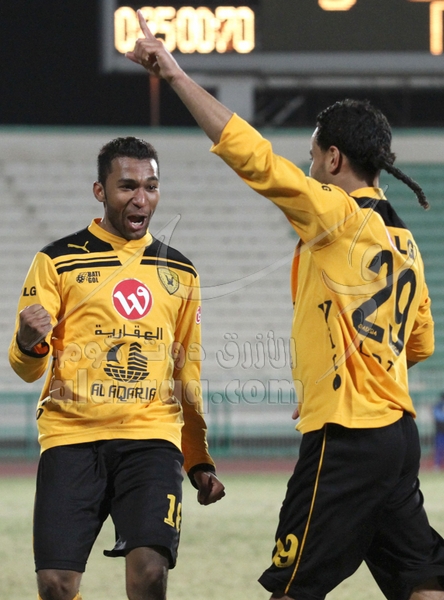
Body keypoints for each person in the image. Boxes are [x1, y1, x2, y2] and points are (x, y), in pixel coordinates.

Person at [124, 10, 444, 600]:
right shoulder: (405, 243)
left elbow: (256, 159)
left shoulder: (338, 214)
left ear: (334, 160)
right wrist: (349, 370)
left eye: (313, 155)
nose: (310, 166)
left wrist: (175, 75)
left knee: (291, 588)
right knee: (421, 581)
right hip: (398, 437)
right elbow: (418, 343)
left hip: (347, 437)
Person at [8, 135, 225, 600]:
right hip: (71, 438)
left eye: (151, 186)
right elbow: (26, 370)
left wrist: (198, 457)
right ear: (100, 191)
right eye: (127, 186)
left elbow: (187, 372)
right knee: (55, 586)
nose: (140, 198)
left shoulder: (181, 272)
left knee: (150, 574)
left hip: (151, 439)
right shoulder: (57, 261)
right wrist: (28, 342)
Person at [433, 393, 444, 468]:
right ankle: (437, 464)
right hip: (440, 431)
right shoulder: (438, 406)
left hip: (440, 430)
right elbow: (437, 416)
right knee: (440, 447)